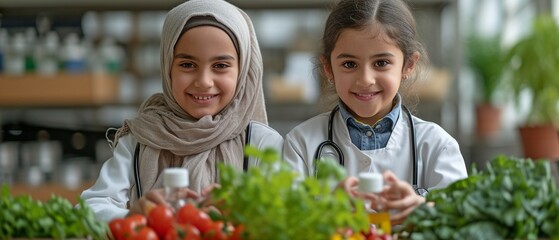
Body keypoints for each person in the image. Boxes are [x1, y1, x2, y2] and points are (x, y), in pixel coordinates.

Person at [81, 0, 283, 222]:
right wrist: (133, 215)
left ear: (243, 71)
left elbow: (282, 216)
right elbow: (91, 207)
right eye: (187, 65)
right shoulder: (141, 139)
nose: (204, 82)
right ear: (167, 66)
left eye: (221, 66)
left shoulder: (261, 144)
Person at [282, 0, 467, 225]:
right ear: (328, 68)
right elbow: (284, 222)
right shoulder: (301, 143)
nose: (365, 79)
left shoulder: (437, 145)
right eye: (349, 64)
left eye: (381, 63)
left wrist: (425, 209)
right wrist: (323, 210)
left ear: (408, 65)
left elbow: (462, 220)